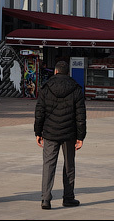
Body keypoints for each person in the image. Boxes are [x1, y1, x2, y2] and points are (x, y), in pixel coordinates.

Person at [34, 60, 86, 210]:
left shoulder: (46, 87)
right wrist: (81, 136)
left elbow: (40, 112)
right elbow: (81, 115)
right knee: (69, 165)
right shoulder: (75, 88)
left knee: (48, 165)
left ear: (55, 72)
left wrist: (38, 132)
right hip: (69, 133)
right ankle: (68, 198)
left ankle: (45, 199)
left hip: (50, 132)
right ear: (67, 73)